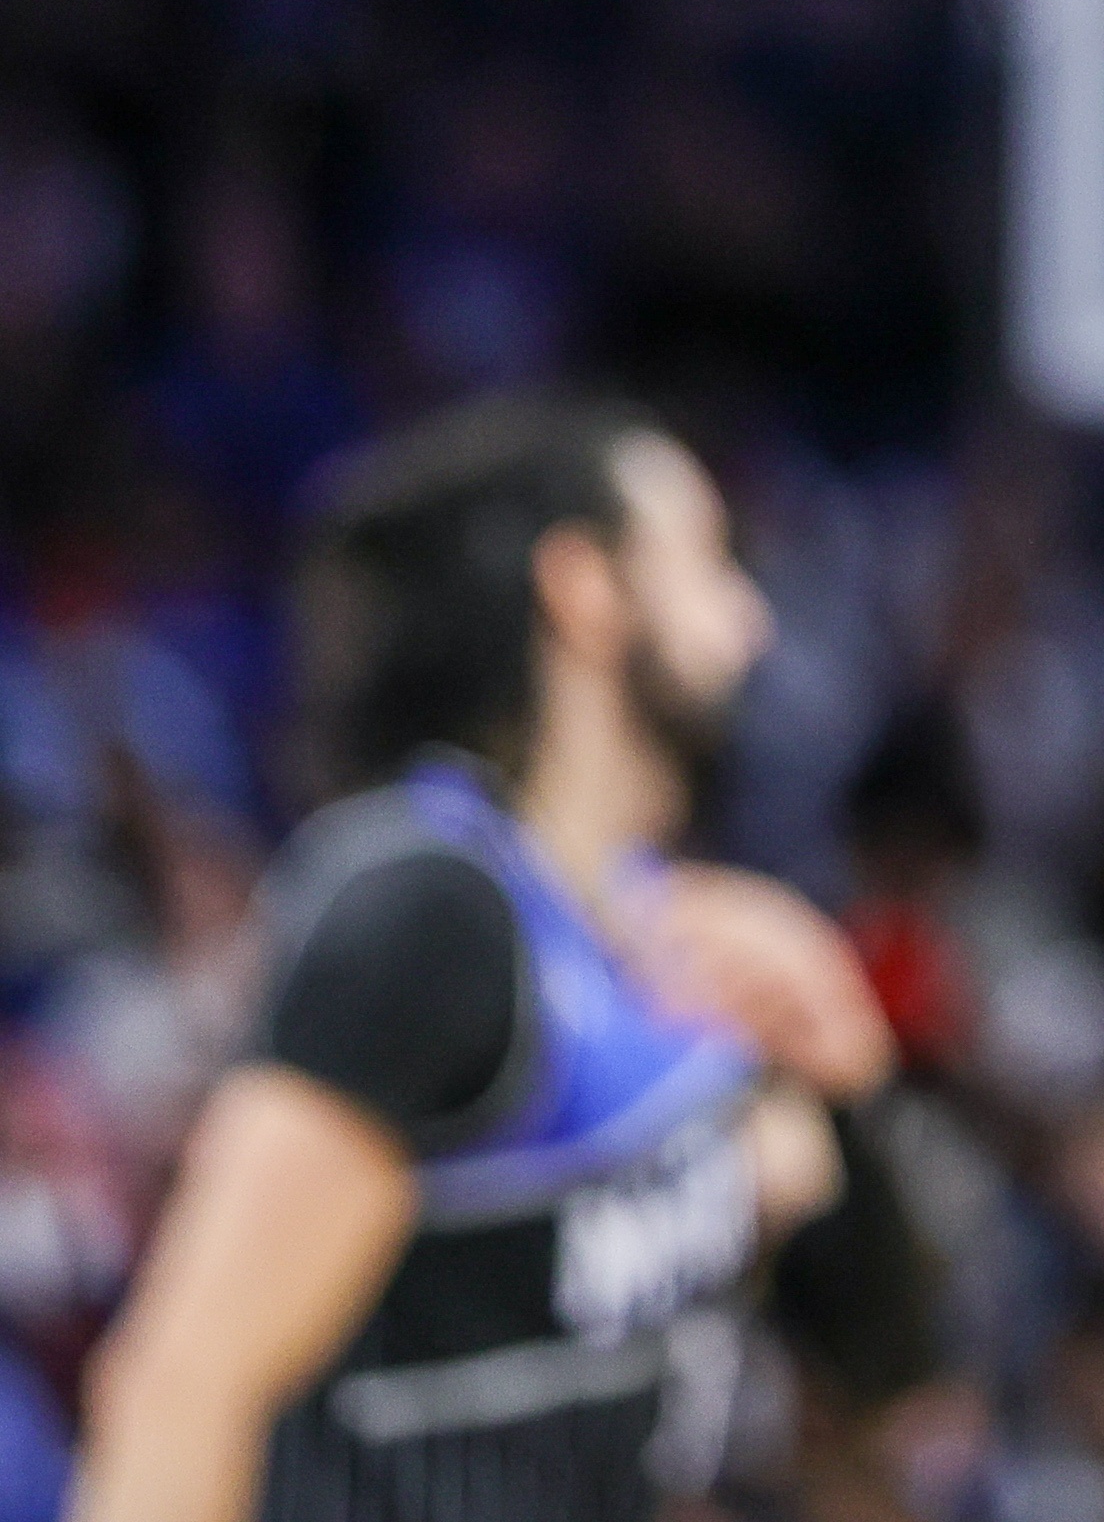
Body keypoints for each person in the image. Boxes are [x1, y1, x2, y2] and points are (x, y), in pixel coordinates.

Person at [75, 389, 905, 1522]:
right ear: (584, 588)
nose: (751, 621)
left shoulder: (683, 939)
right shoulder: (433, 904)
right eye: (710, 561)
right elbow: (181, 1390)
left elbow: (889, 1381)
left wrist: (849, 1078)